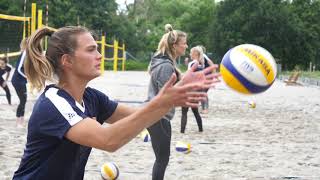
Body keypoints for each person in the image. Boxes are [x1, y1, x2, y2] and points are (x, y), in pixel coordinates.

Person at [13, 26, 218, 180]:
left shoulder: (91, 97)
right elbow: (108, 140)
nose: (100, 55)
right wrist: (162, 102)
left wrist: (176, 95)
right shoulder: (54, 103)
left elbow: (139, 116)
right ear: (67, 61)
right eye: (91, 50)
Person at [147, 24, 219, 180]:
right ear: (174, 46)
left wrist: (190, 81)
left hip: (158, 116)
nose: (186, 46)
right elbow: (165, 96)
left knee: (162, 159)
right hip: (158, 117)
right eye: (184, 43)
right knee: (162, 159)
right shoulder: (165, 66)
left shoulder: (165, 62)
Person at [181, 46, 206, 133]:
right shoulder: (201, 64)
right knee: (195, 112)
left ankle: (182, 131)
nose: (190, 54)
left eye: (191, 53)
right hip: (197, 91)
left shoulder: (192, 64)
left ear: (195, 54)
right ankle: (201, 130)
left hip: (189, 90)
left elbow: (187, 76)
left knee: (184, 112)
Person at [11, 38, 28, 127]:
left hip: (21, 80)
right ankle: (18, 122)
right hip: (17, 80)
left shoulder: (27, 53)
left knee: (24, 100)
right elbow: (18, 68)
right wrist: (27, 76)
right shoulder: (25, 53)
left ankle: (21, 121)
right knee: (22, 100)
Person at [199, 45, 215, 114]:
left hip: (208, 76)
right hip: (204, 77)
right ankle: (204, 108)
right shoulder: (198, 57)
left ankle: (205, 109)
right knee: (202, 92)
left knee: (203, 92)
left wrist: (213, 75)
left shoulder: (204, 56)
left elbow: (212, 65)